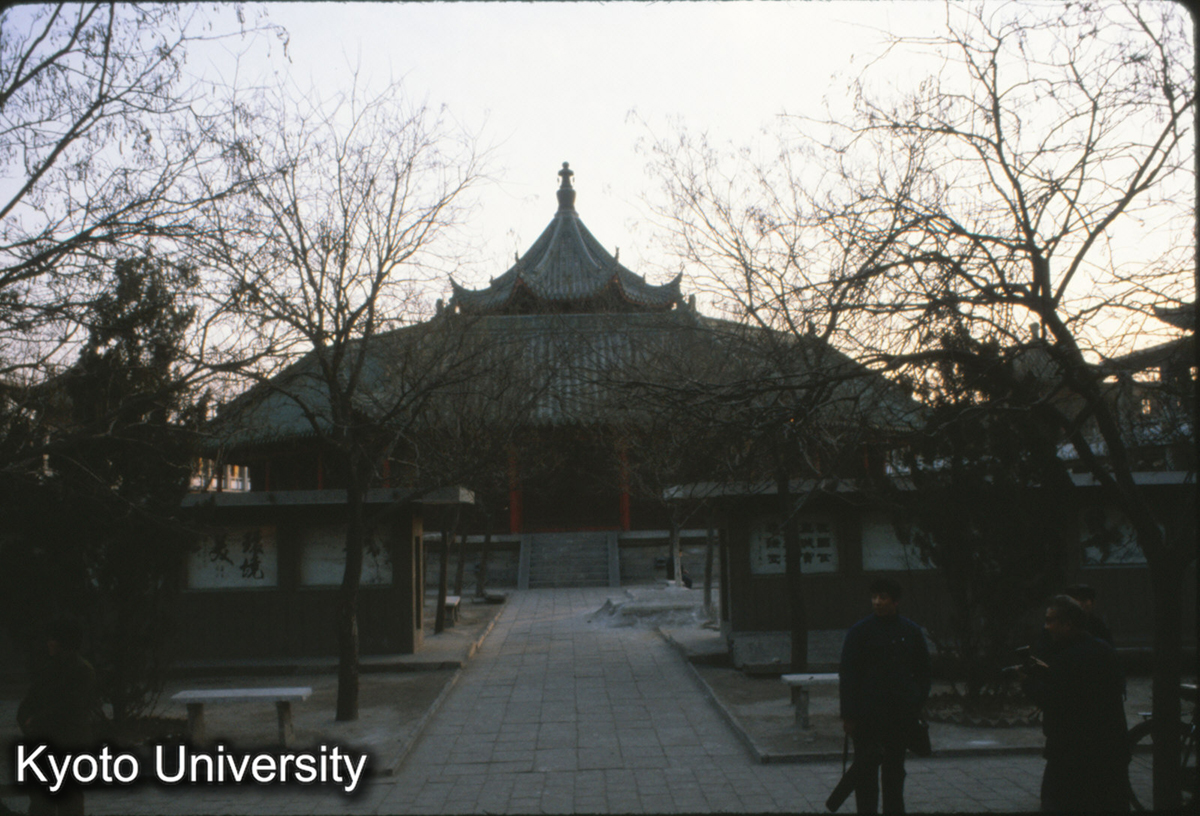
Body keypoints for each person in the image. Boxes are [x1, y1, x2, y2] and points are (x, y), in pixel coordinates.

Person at [1022, 595, 1130, 812]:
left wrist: (1028, 683)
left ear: (1067, 624)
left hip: (1072, 755)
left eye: (1050, 621)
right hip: (1110, 751)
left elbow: (1055, 700)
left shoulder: (1067, 658)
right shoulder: (1104, 650)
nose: (1046, 627)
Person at [838, 578, 932, 814]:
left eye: (883, 597)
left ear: (895, 601)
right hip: (866, 718)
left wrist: (915, 701)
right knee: (865, 775)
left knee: (894, 774)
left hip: (898, 717)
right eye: (874, 597)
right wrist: (848, 715)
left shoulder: (910, 631)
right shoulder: (860, 632)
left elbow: (923, 671)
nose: (877, 602)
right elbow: (848, 676)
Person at [17, 617, 97, 816]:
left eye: (54, 639)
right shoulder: (49, 668)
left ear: (65, 642)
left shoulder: (80, 671)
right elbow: (30, 701)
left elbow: (70, 707)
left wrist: (34, 721)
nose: (49, 643)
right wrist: (26, 720)